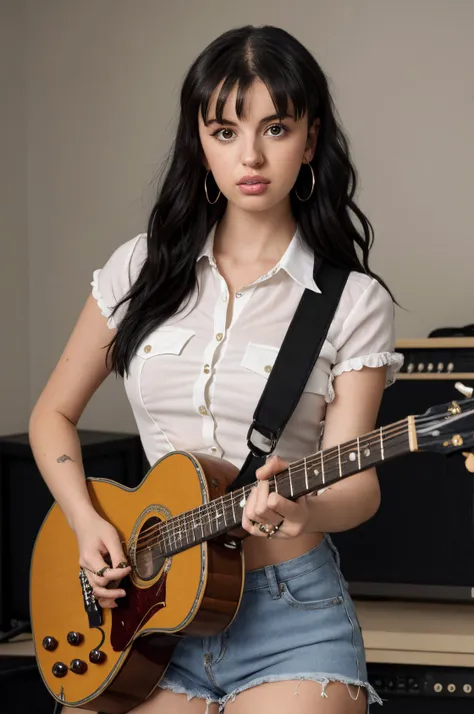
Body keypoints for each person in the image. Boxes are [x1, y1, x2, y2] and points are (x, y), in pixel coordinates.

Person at [29, 24, 403, 714]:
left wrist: (301, 506)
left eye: (276, 128)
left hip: (289, 613)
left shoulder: (351, 301)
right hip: (144, 616)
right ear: (198, 143)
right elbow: (51, 413)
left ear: (310, 140)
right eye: (225, 131)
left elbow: (359, 487)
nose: (251, 155)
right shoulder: (138, 269)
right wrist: (86, 524)